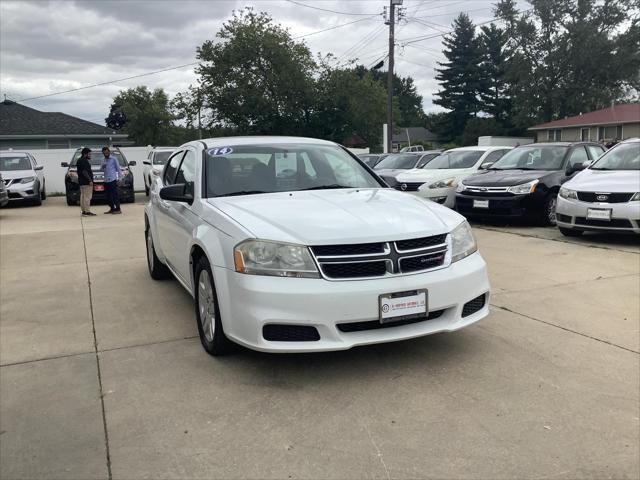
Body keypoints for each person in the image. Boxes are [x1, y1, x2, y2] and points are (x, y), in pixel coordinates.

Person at [100, 146, 122, 214]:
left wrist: (120, 179)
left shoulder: (114, 159)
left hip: (112, 179)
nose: (106, 154)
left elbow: (118, 169)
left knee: (114, 195)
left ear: (109, 152)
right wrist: (102, 167)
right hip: (106, 180)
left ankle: (118, 209)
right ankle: (112, 208)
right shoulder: (103, 160)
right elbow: (101, 169)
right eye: (104, 153)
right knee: (108, 196)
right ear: (103, 153)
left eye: (107, 152)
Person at [77, 147, 96, 216]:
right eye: (89, 154)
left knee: (83, 197)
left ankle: (84, 211)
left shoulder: (79, 160)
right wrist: (90, 180)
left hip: (81, 182)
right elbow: (84, 171)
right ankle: (87, 211)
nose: (90, 155)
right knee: (87, 197)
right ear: (85, 154)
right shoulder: (84, 161)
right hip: (86, 182)